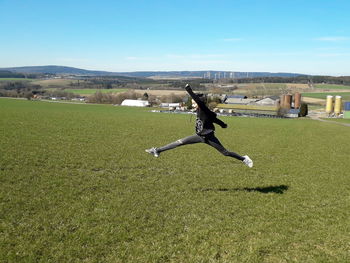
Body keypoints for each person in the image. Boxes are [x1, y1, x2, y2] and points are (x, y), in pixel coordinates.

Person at [146, 84, 253, 168]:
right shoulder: (199, 110)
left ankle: (244, 159)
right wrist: (223, 125)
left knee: (225, 153)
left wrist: (188, 90)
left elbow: (211, 116)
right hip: (199, 136)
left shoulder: (203, 109)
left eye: (194, 102)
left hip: (209, 138)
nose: (192, 104)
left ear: (199, 103)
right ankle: (157, 150)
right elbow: (215, 119)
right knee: (179, 142)